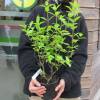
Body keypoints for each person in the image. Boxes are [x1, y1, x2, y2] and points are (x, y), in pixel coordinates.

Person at [18, 0, 88, 100]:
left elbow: (80, 55)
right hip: (39, 89)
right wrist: (31, 76)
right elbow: (25, 49)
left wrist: (67, 79)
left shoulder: (77, 18)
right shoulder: (39, 12)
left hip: (68, 92)